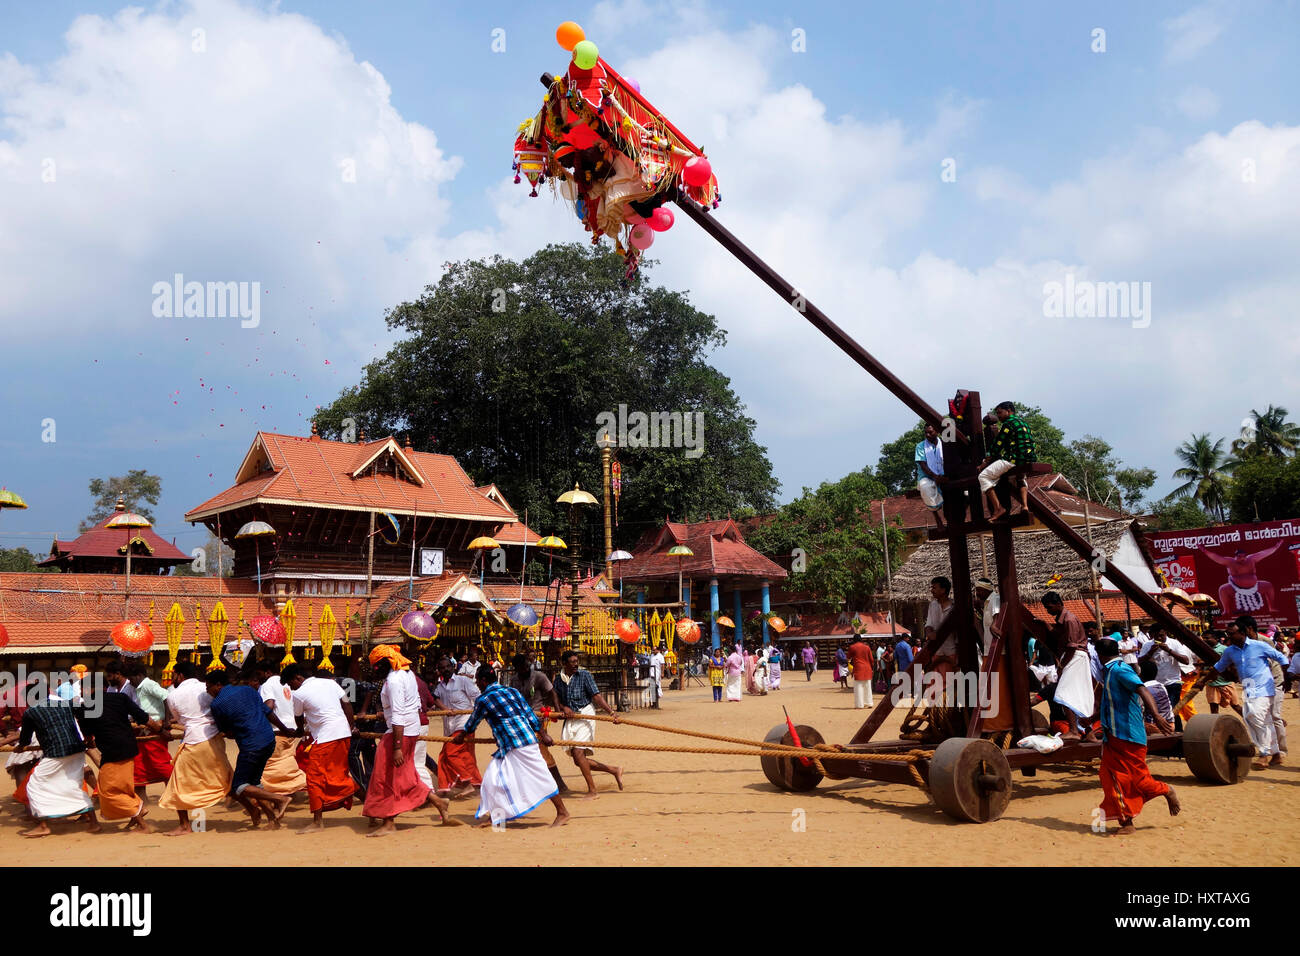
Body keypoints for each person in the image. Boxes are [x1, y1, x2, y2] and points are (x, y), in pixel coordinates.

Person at [453, 666, 569, 827]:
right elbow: (530, 714)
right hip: (517, 743)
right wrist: (543, 734)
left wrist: (460, 736)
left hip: (519, 744)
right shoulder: (512, 691)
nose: (477, 684)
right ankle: (495, 817)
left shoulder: (483, 700)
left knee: (542, 777)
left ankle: (562, 812)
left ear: (484, 681)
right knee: (492, 781)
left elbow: (472, 723)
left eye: (478, 680)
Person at [1095, 637, 1179, 835]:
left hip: (1128, 735)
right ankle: (1126, 823)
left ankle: (1165, 789)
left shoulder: (1120, 670)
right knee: (1110, 777)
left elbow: (1141, 689)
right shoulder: (1110, 670)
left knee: (1136, 779)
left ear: (1098, 655)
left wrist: (1157, 716)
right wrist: (1092, 718)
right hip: (1114, 735)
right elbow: (1111, 701)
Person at [362, 645, 446, 835]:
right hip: (409, 730)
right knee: (403, 776)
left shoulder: (394, 680)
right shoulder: (407, 675)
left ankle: (389, 822)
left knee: (384, 777)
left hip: (399, 733)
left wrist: (397, 747)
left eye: (376, 666)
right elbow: (413, 704)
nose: (375, 670)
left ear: (385, 663)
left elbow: (399, 713)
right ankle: (438, 802)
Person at [205, 667, 291, 829]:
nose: (208, 691)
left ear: (218, 685)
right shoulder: (248, 690)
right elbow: (268, 712)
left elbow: (227, 732)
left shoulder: (217, 704)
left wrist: (236, 729)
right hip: (268, 739)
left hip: (251, 745)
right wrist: (285, 730)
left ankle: (280, 799)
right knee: (254, 783)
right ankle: (273, 820)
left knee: (239, 787)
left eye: (208, 687)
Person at [82, 662, 160, 833]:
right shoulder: (120, 698)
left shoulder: (87, 706)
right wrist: (160, 730)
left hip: (112, 751)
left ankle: (140, 818)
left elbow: (87, 735)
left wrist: (88, 742)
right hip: (129, 747)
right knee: (122, 787)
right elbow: (143, 717)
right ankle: (136, 814)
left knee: (107, 791)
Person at [158, 660, 233, 837]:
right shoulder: (205, 688)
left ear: (180, 675)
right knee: (226, 778)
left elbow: (181, 720)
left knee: (177, 783)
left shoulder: (173, 695)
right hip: (214, 738)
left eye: (174, 675)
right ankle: (255, 810)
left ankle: (185, 825)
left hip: (194, 739)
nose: (172, 679)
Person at [283, 663, 359, 830]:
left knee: (314, 777)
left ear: (298, 678)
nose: (290, 688)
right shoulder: (330, 683)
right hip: (343, 734)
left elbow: (298, 717)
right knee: (338, 775)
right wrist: (352, 726)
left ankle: (317, 822)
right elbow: (347, 704)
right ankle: (372, 807)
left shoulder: (299, 694)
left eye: (290, 683)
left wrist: (300, 731)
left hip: (327, 738)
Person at [14, 693, 99, 837]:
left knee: (34, 785)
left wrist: (20, 747)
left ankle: (43, 825)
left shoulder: (31, 712)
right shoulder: (65, 704)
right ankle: (94, 823)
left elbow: (26, 739)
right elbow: (85, 713)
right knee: (74, 785)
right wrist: (88, 736)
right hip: (77, 749)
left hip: (56, 752)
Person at [1214, 617, 1288, 769]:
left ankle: (1263, 754)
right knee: (1260, 719)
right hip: (1249, 689)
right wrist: (1202, 681)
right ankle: (1276, 754)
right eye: (1227, 634)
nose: (1228, 637)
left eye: (1231, 634)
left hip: (1265, 688)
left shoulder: (1259, 645)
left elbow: (1281, 658)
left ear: (1242, 633)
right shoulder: (1229, 651)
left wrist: (1286, 677)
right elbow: (1218, 667)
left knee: (1253, 716)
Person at [554, 650, 623, 796]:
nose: (576, 664)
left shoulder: (584, 675)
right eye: (572, 662)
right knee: (578, 760)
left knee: (578, 752)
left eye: (576, 661)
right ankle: (614, 770)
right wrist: (563, 707)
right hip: (571, 717)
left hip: (585, 714)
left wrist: (611, 713)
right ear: (564, 664)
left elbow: (596, 696)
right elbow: (556, 700)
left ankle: (593, 790)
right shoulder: (558, 680)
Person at [507, 652, 570, 793]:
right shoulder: (514, 680)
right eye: (521, 667)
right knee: (523, 752)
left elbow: (552, 692)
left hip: (537, 719)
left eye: (526, 666)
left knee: (541, 750)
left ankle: (560, 785)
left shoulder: (539, 676)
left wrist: (558, 710)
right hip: (521, 720)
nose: (525, 669)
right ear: (516, 668)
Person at [253, 660, 307, 796]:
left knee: (268, 768)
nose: (258, 678)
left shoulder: (267, 685)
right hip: (292, 730)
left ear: (268, 672)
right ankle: (288, 792)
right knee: (285, 766)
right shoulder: (288, 684)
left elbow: (268, 707)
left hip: (276, 731)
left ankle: (273, 797)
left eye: (259, 674)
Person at [1041, 592, 1091, 736]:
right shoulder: (1062, 620)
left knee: (1064, 693)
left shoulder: (1069, 619)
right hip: (1073, 657)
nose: (1048, 611)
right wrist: (1045, 623)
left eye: (1049, 607)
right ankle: (1089, 733)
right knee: (1076, 695)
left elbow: (1071, 646)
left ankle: (1074, 731)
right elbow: (1056, 634)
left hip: (1074, 657)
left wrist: (1062, 666)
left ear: (1058, 604)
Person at [432, 654, 483, 797]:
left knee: (451, 753)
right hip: (449, 726)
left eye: (448, 666)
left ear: (453, 666)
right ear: (439, 671)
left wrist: (476, 718)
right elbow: (434, 698)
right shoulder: (440, 686)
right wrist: (444, 709)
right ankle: (446, 787)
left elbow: (477, 698)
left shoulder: (463, 681)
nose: (445, 670)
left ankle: (467, 783)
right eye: (442, 668)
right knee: (454, 756)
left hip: (464, 724)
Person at [979, 401, 1036, 521]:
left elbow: (997, 445)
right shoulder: (1023, 423)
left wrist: (984, 462)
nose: (998, 416)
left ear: (1008, 411)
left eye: (1000, 413)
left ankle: (998, 508)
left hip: (1014, 459)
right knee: (1019, 478)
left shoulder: (1008, 424)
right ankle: (1025, 506)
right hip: (1028, 458)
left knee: (983, 476)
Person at [125, 661, 173, 799]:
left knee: (159, 761)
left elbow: (166, 696)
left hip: (154, 726)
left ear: (139, 675)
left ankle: (173, 790)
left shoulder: (148, 684)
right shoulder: (136, 688)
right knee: (139, 763)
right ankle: (142, 799)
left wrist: (167, 721)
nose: (130, 681)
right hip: (142, 727)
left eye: (131, 678)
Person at [1198, 541, 1284, 614]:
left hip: (1255, 587)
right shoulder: (1229, 561)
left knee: (1268, 585)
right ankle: (1226, 610)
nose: (1242, 558)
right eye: (1239, 556)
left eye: (1243, 556)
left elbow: (1263, 553)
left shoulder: (1251, 559)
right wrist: (1205, 551)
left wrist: (1276, 547)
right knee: (1222, 589)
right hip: (1235, 589)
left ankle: (1271, 607)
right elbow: (1216, 558)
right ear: (1235, 556)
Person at [1136, 626, 1193, 732]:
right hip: (1155, 685)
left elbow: (1186, 661)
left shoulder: (1174, 643)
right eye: (1156, 636)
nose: (1159, 638)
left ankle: (1176, 732)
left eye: (1161, 635)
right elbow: (1140, 662)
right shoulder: (1147, 645)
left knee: (1171, 710)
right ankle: (1170, 731)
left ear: (1165, 633)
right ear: (1151, 635)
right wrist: (1150, 653)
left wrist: (1169, 650)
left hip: (1173, 682)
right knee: (1158, 710)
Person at [915, 422, 946, 529]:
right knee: (925, 487)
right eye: (926, 433)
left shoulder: (944, 444)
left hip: (943, 474)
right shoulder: (920, 446)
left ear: (937, 432)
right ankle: (937, 517)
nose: (927, 435)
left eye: (930, 432)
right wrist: (934, 477)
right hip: (926, 476)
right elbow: (922, 464)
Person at [1205, 630, 1243, 716]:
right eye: (1204, 638)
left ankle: (1251, 723)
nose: (1205, 640)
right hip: (1212, 684)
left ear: (1215, 639)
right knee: (1214, 709)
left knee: (1236, 706)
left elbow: (1232, 664)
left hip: (1226, 683)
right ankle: (1216, 728)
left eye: (1207, 638)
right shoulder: (1205, 649)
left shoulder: (1224, 649)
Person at [925, 576, 956, 680]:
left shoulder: (954, 607)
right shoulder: (932, 605)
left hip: (951, 651)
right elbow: (928, 624)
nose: (932, 590)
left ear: (943, 590)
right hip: (937, 651)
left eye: (934, 588)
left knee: (951, 685)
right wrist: (929, 633)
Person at [1138, 658, 1173, 724]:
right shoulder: (1162, 686)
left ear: (1141, 674)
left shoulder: (1143, 689)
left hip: (1151, 726)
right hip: (1169, 723)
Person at [846, 633, 874, 709]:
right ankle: (869, 703)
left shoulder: (852, 647)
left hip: (858, 668)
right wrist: (872, 668)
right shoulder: (867, 647)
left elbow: (848, 657)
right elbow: (871, 660)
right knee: (868, 687)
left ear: (854, 640)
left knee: (858, 688)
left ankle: (859, 705)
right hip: (867, 668)